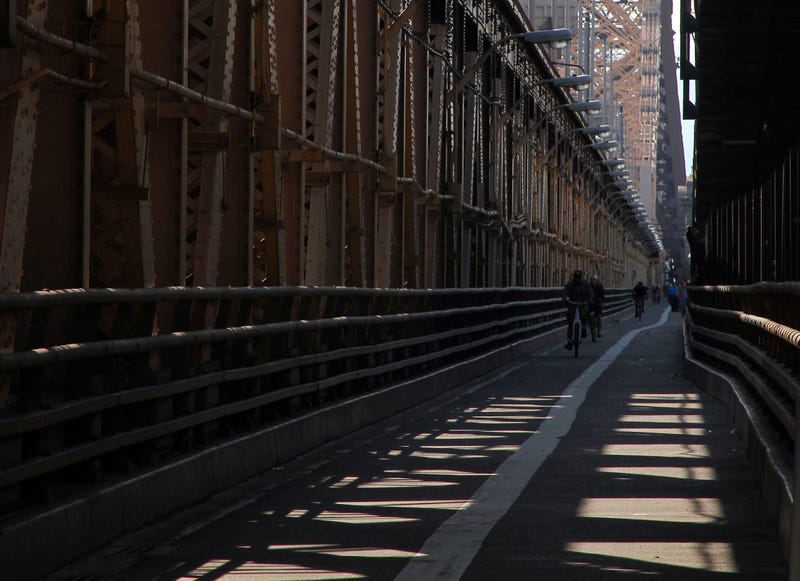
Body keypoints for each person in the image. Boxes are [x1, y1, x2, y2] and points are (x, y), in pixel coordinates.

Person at [562, 270, 594, 350]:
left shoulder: (585, 284)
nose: (577, 280)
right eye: (576, 278)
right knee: (570, 321)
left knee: (583, 314)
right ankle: (569, 341)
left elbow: (591, 292)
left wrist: (590, 299)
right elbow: (565, 291)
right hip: (573, 303)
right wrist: (564, 298)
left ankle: (583, 327)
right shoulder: (571, 284)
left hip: (583, 303)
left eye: (578, 278)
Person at [588, 273, 605, 338]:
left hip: (598, 303)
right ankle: (591, 329)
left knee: (598, 317)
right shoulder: (589, 286)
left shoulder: (600, 286)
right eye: (592, 280)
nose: (593, 281)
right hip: (591, 303)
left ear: (597, 280)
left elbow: (602, 295)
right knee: (589, 317)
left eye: (594, 280)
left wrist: (602, 302)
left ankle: (599, 331)